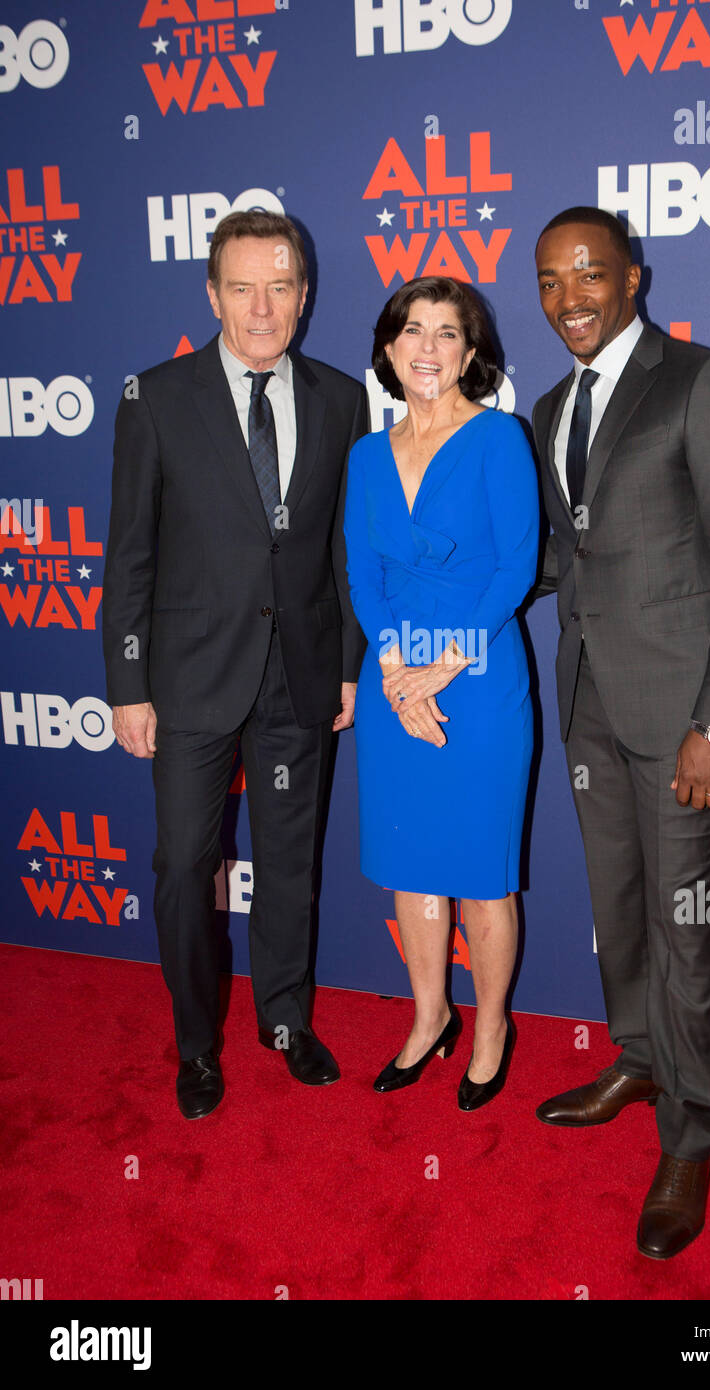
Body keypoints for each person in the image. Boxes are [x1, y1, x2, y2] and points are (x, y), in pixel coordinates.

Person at [531, 207, 710, 1256]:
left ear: (633, 278)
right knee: (620, 906)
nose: (568, 297)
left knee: (686, 930)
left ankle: (689, 1133)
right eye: (548, 280)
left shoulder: (707, 383)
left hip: (685, 717)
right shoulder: (550, 404)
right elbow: (565, 560)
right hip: (590, 702)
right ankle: (637, 1056)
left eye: (588, 273)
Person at [103, 209, 367, 1119]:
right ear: (212, 294)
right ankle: (196, 1045)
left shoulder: (342, 398)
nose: (263, 307)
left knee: (291, 864)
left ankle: (285, 1022)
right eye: (243, 287)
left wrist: (345, 665)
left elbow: (339, 547)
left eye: (281, 286)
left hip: (299, 674)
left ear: (304, 294)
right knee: (185, 866)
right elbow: (129, 554)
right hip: (187, 679)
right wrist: (128, 686)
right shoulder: (156, 397)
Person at [343, 276, 539, 1110]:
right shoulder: (364, 454)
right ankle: (429, 1019)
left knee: (482, 878)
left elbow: (515, 570)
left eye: (447, 333)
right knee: (412, 867)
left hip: (482, 677)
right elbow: (364, 573)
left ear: (471, 351)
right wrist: (394, 669)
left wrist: (442, 664)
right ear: (388, 350)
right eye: (412, 331)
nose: (428, 347)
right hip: (394, 683)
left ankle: (490, 1027)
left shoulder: (499, 438)